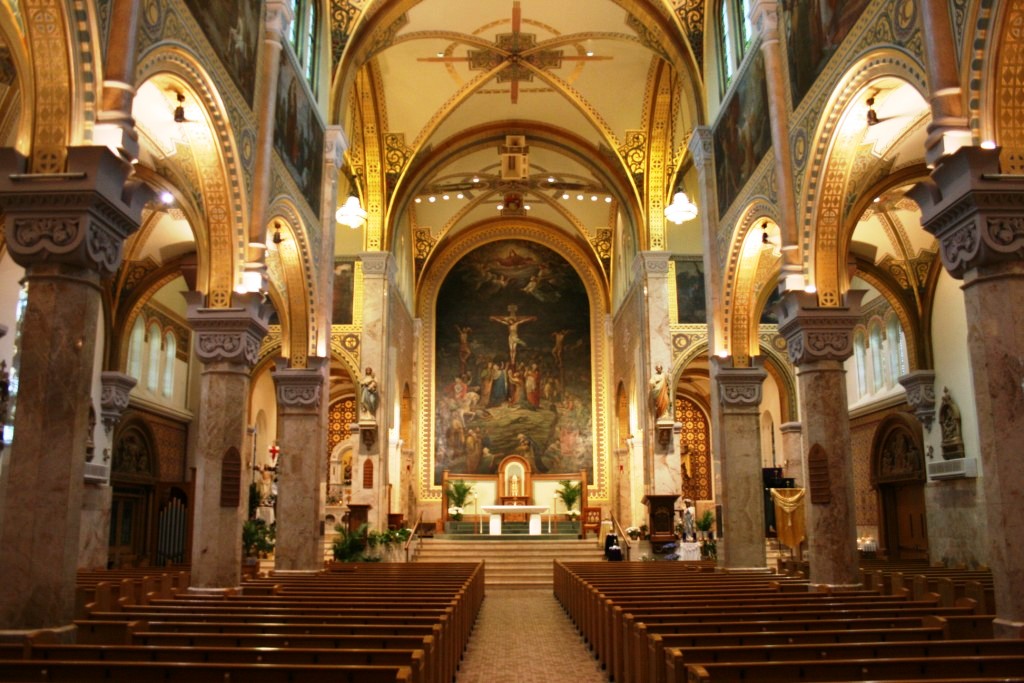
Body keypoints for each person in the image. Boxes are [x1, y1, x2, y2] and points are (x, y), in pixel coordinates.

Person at [490, 304, 536, 369]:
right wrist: (494, 318)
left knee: (514, 350)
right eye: (510, 320)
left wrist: (531, 318)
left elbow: (524, 320)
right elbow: (500, 320)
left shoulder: (516, 324)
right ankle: (512, 361)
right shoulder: (508, 324)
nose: (510, 321)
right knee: (511, 350)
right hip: (510, 337)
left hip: (515, 337)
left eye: (511, 320)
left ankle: (513, 361)